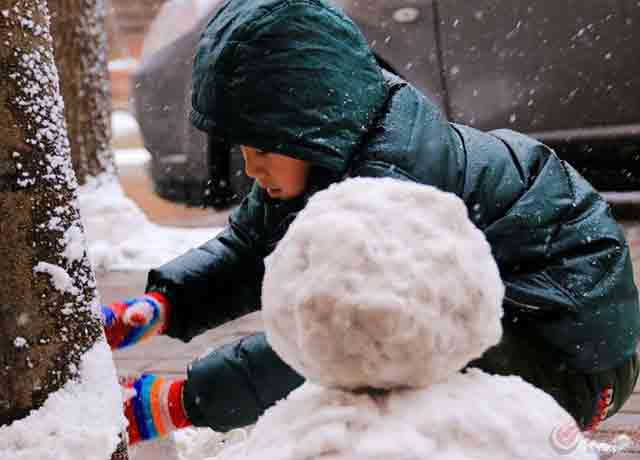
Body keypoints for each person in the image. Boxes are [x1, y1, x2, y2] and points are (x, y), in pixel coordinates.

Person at [102, 0, 640, 445]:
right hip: (520, 320)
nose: (250, 165)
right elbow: (250, 251)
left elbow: (339, 340)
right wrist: (163, 306)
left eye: (262, 146)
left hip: (571, 359)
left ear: (308, 125)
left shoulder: (392, 188)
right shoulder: (325, 154)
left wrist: (178, 403)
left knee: (371, 368)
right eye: (243, 145)